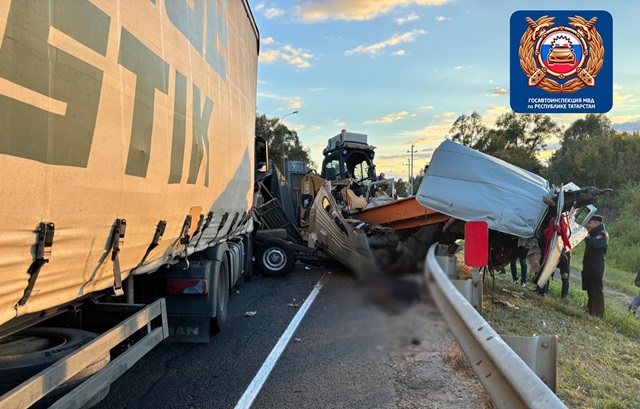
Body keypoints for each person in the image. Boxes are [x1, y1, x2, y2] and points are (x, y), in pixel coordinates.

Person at [582, 215, 609, 318]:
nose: (589, 225)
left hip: (596, 267)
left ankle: (599, 314)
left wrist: (586, 237)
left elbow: (594, 243)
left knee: (597, 291)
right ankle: (590, 310)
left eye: (591, 223)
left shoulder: (602, 234)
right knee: (590, 289)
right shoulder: (593, 234)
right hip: (589, 266)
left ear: (596, 223)